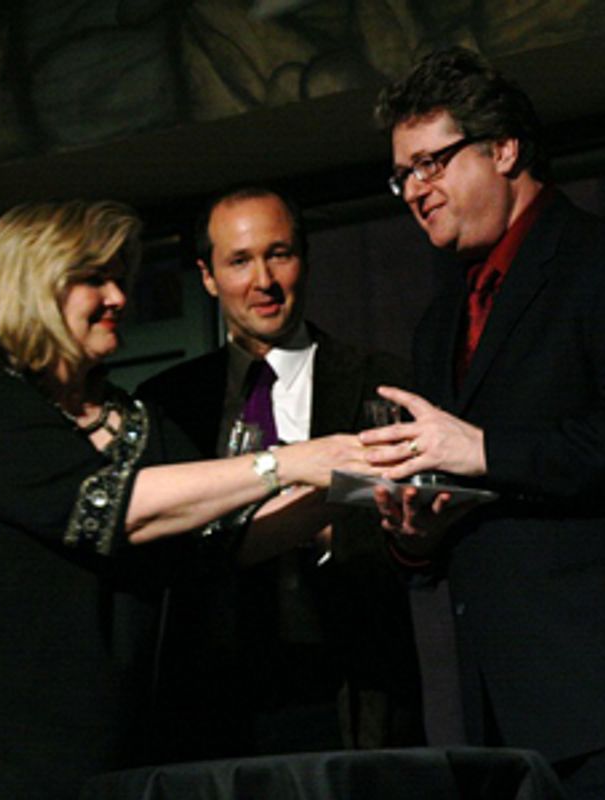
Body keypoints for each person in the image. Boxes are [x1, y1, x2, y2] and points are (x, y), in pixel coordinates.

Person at [0, 200, 376, 799]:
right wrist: (287, 463)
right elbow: (113, 506)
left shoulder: (139, 422)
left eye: (118, 279)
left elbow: (216, 540)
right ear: (32, 286)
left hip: (90, 761)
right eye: (93, 278)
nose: (119, 297)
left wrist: (357, 487)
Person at [361, 47, 605, 799]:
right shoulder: (441, 315)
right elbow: (485, 489)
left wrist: (482, 449)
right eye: (404, 174)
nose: (417, 190)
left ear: (504, 148)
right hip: (511, 720)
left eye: (433, 164)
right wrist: (419, 536)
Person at [135, 186, 425, 758]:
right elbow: (157, 549)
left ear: (305, 259)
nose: (262, 281)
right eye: (239, 261)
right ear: (208, 276)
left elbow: (417, 534)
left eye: (279, 254)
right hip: (209, 704)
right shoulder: (166, 402)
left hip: (351, 691)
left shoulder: (383, 381)